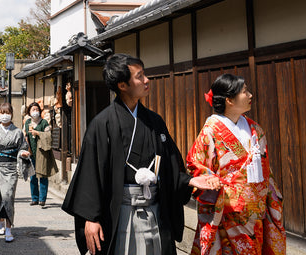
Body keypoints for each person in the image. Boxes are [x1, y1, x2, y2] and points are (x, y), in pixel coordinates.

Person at [62, 54, 215, 255]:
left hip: (156, 210)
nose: (146, 80)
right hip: (120, 211)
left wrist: (188, 181)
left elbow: (169, 163)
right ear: (122, 85)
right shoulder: (102, 124)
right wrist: (91, 218)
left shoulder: (154, 121)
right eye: (139, 76)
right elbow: (90, 174)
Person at [185, 74, 285, 255]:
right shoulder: (211, 130)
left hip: (256, 211)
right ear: (229, 100)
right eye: (245, 91)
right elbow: (195, 163)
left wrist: (270, 199)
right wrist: (211, 180)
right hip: (227, 211)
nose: (250, 95)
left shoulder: (256, 129)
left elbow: (265, 171)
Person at [0, 102, 31, 243]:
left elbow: (22, 147)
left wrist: (23, 153)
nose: (4, 116)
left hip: (10, 169)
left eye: (7, 112)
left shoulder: (18, 132)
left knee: (8, 196)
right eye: (2, 113)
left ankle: (9, 228)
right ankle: (1, 222)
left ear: (11, 114)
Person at [24, 102, 57, 207]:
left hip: (42, 152)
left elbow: (49, 136)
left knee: (43, 175)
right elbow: (25, 136)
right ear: (29, 112)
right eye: (33, 109)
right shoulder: (27, 123)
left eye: (36, 109)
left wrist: (38, 133)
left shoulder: (44, 123)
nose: (35, 112)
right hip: (31, 152)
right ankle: (34, 198)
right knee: (32, 177)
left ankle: (42, 199)